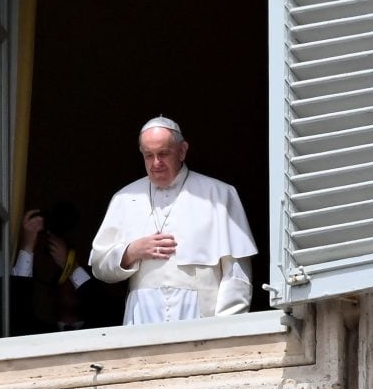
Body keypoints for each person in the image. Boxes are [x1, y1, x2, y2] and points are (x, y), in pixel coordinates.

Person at [89, 116, 257, 325]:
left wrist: (223, 329)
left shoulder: (219, 195)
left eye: (163, 153)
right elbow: (99, 267)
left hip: (201, 318)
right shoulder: (124, 198)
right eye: (149, 155)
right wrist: (131, 252)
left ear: (182, 150)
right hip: (142, 318)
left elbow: (236, 275)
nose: (156, 163)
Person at [10, 203, 121, 334]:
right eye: (65, 277)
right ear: (53, 293)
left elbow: (105, 307)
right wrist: (27, 246)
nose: (72, 284)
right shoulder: (38, 331)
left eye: (73, 280)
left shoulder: (104, 325)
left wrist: (72, 267)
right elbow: (18, 310)